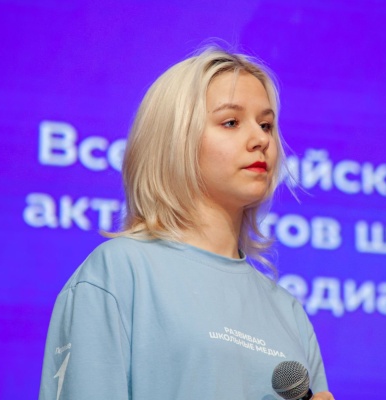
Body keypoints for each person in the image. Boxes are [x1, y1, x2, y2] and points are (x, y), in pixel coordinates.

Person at [38, 46, 334, 400]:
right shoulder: (119, 272)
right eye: (231, 122)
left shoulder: (288, 313)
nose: (261, 140)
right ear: (175, 140)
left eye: (266, 125)